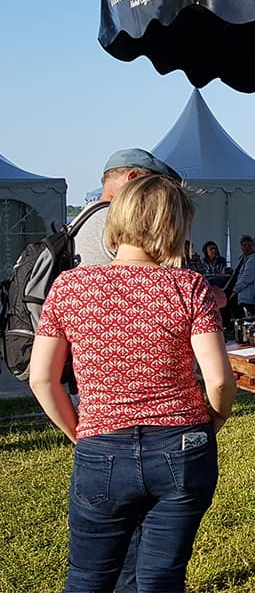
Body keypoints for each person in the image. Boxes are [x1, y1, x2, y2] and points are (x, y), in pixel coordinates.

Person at [27, 173, 235, 592]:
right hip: (182, 445)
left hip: (101, 445)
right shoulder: (189, 287)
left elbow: (41, 380)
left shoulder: (70, 286)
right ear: (174, 227)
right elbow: (218, 380)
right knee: (161, 577)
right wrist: (214, 420)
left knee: (88, 577)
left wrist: (80, 432)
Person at [74, 148, 182, 266]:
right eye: (153, 187)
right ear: (133, 178)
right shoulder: (121, 219)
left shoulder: (82, 218)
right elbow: (160, 275)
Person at [225, 234, 255, 319]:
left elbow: (246, 278)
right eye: (244, 245)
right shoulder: (246, 259)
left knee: (232, 303)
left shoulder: (254, 260)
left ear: (254, 246)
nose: (246, 247)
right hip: (250, 295)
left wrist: (234, 292)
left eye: (249, 245)